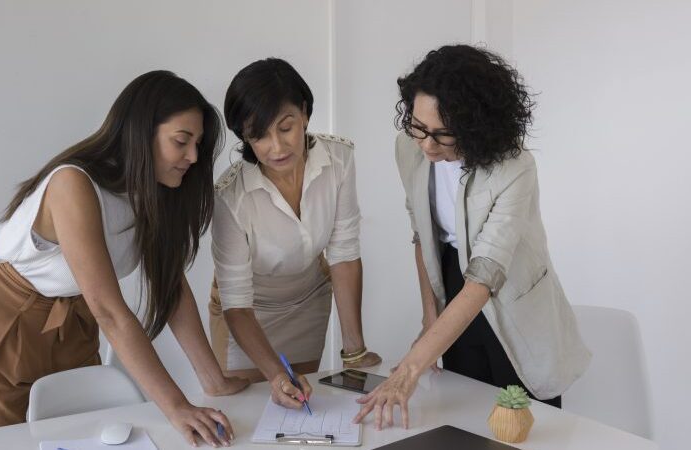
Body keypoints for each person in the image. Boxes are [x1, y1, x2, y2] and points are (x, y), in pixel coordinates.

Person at [0, 71, 249, 449]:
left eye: (198, 144)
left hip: (70, 320)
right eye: (181, 141)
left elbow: (171, 287)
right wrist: (176, 406)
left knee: (91, 439)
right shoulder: (73, 185)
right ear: (139, 133)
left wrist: (212, 380)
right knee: (6, 443)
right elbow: (110, 311)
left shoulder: (153, 191)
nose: (194, 157)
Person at [354, 45, 591, 429]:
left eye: (442, 134)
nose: (427, 145)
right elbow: (422, 234)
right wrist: (430, 320)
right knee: (467, 418)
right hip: (451, 280)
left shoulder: (515, 167)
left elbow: (484, 277)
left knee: (524, 426)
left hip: (511, 293)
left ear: (475, 125)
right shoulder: (409, 148)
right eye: (418, 127)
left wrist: (410, 368)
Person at [209, 58, 380, 411]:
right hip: (247, 313)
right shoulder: (230, 196)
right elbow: (237, 303)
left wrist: (355, 352)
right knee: (251, 412)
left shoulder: (339, 158)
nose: (277, 147)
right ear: (244, 136)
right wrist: (274, 373)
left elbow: (344, 253)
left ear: (304, 113)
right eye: (259, 135)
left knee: (303, 406)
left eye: (285, 128)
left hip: (308, 299)